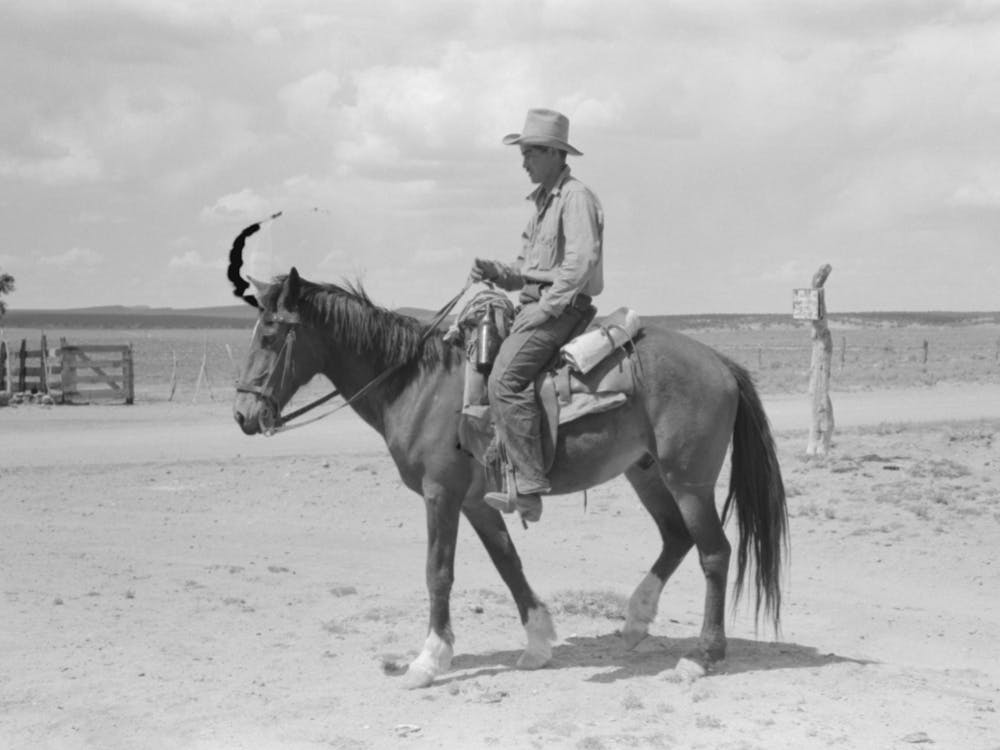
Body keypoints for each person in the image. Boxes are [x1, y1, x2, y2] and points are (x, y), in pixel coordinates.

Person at [470, 108, 604, 522]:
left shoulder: (575, 198)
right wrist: (497, 272)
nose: (524, 162)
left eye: (529, 153)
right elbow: (527, 269)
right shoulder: (543, 203)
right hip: (537, 302)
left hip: (562, 307)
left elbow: (580, 263)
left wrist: (544, 309)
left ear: (553, 153)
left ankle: (528, 486)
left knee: (505, 379)